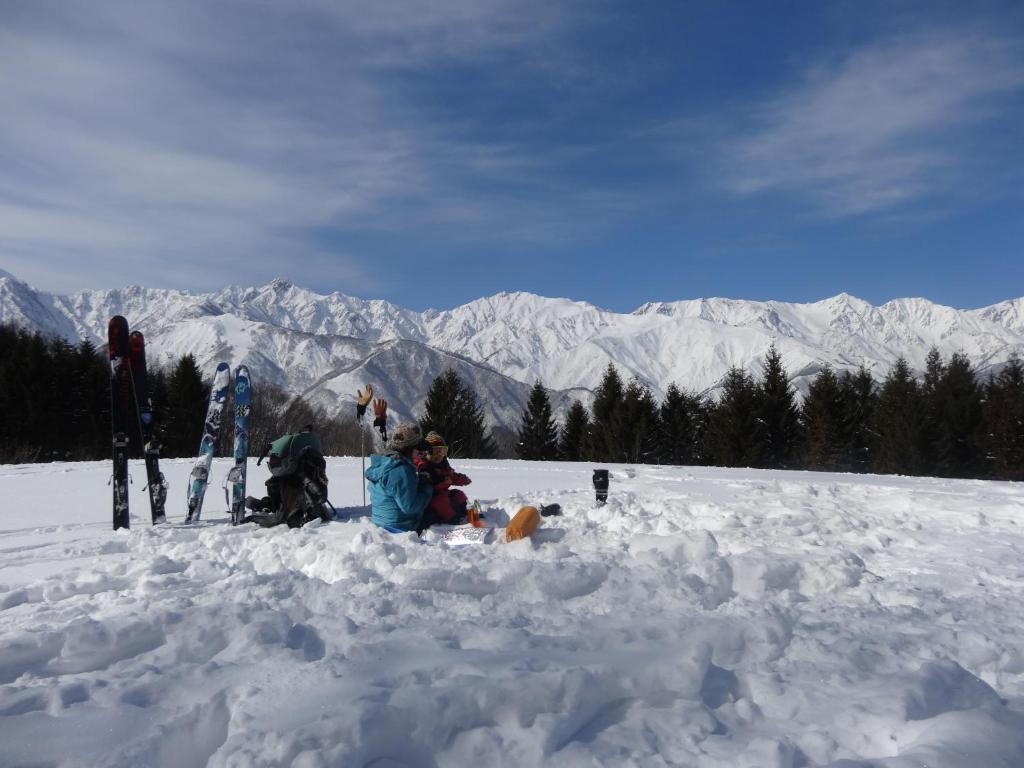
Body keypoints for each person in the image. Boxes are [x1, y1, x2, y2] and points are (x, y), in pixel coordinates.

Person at [364, 422, 433, 532]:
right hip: (399, 528)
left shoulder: (385, 463)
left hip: (380, 523)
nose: (420, 453)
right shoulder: (401, 470)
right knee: (437, 514)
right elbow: (410, 507)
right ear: (410, 449)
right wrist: (427, 489)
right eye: (418, 449)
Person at [414, 431, 472, 529]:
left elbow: (451, 475)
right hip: (430, 497)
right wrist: (442, 481)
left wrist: (461, 479)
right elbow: (427, 480)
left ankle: (465, 513)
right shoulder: (423, 465)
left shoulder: (443, 463)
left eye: (442, 451)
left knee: (459, 494)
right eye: (436, 451)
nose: (439, 455)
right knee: (441, 502)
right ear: (427, 451)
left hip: (443, 492)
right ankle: (454, 520)